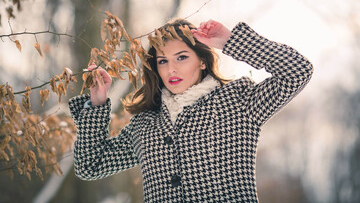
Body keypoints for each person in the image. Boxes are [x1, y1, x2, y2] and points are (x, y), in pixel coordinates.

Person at [69, 19, 313, 202]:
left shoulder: (238, 103)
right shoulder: (146, 124)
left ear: (203, 60)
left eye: (182, 57)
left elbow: (298, 70)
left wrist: (230, 42)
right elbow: (90, 166)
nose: (171, 69)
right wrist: (97, 105)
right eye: (163, 61)